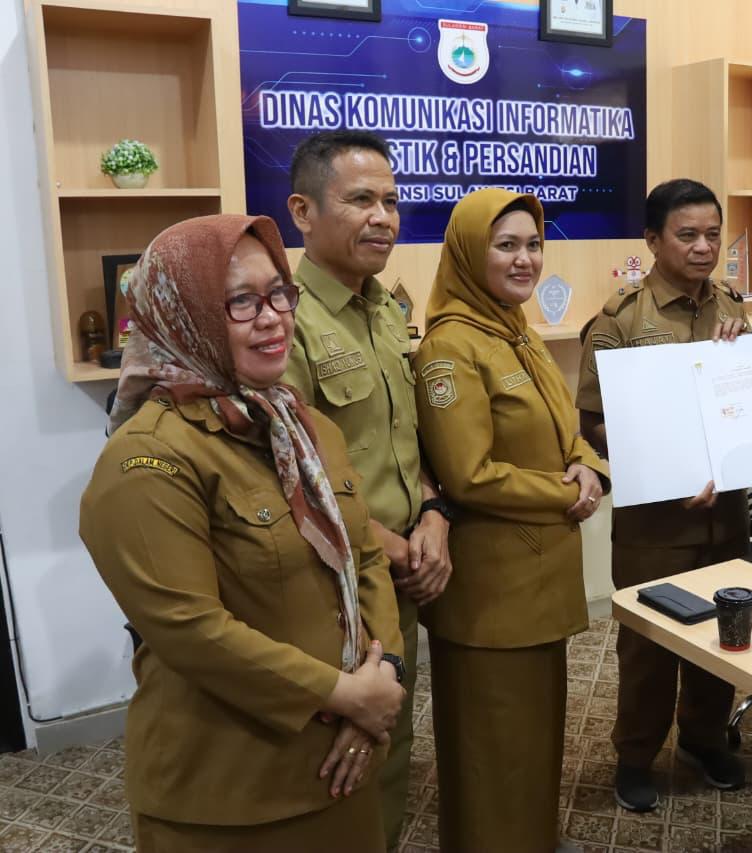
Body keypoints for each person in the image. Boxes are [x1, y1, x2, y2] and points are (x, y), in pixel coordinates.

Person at [80, 214, 406, 851]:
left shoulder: (305, 430)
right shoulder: (147, 458)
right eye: (241, 302)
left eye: (280, 293)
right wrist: (348, 697)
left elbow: (365, 560)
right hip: (232, 796)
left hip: (343, 765)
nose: (273, 317)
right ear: (183, 315)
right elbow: (190, 628)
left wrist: (383, 673)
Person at [412, 189, 609, 852]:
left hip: (536, 580)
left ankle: (532, 838)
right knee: (492, 749)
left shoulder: (515, 330)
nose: (525, 259)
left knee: (533, 735)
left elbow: (563, 425)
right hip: (492, 593)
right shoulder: (450, 347)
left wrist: (587, 465)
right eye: (506, 246)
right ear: (471, 252)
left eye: (533, 244)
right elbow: (468, 473)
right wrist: (565, 492)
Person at [281, 130, 448, 849]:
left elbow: (404, 440)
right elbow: (292, 474)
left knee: (390, 740)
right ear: (303, 211)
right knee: (338, 752)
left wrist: (433, 513)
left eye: (391, 200)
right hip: (337, 582)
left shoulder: (385, 309)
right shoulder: (285, 319)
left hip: (400, 568)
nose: (383, 217)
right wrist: (389, 546)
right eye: (360, 200)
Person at [577, 178, 749, 813]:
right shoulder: (620, 319)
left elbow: (743, 400)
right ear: (653, 240)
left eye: (713, 235)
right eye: (688, 235)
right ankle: (635, 756)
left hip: (725, 516)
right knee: (648, 647)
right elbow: (593, 422)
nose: (704, 248)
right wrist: (667, 473)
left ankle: (704, 739)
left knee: (722, 637)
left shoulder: (732, 308)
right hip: (655, 524)